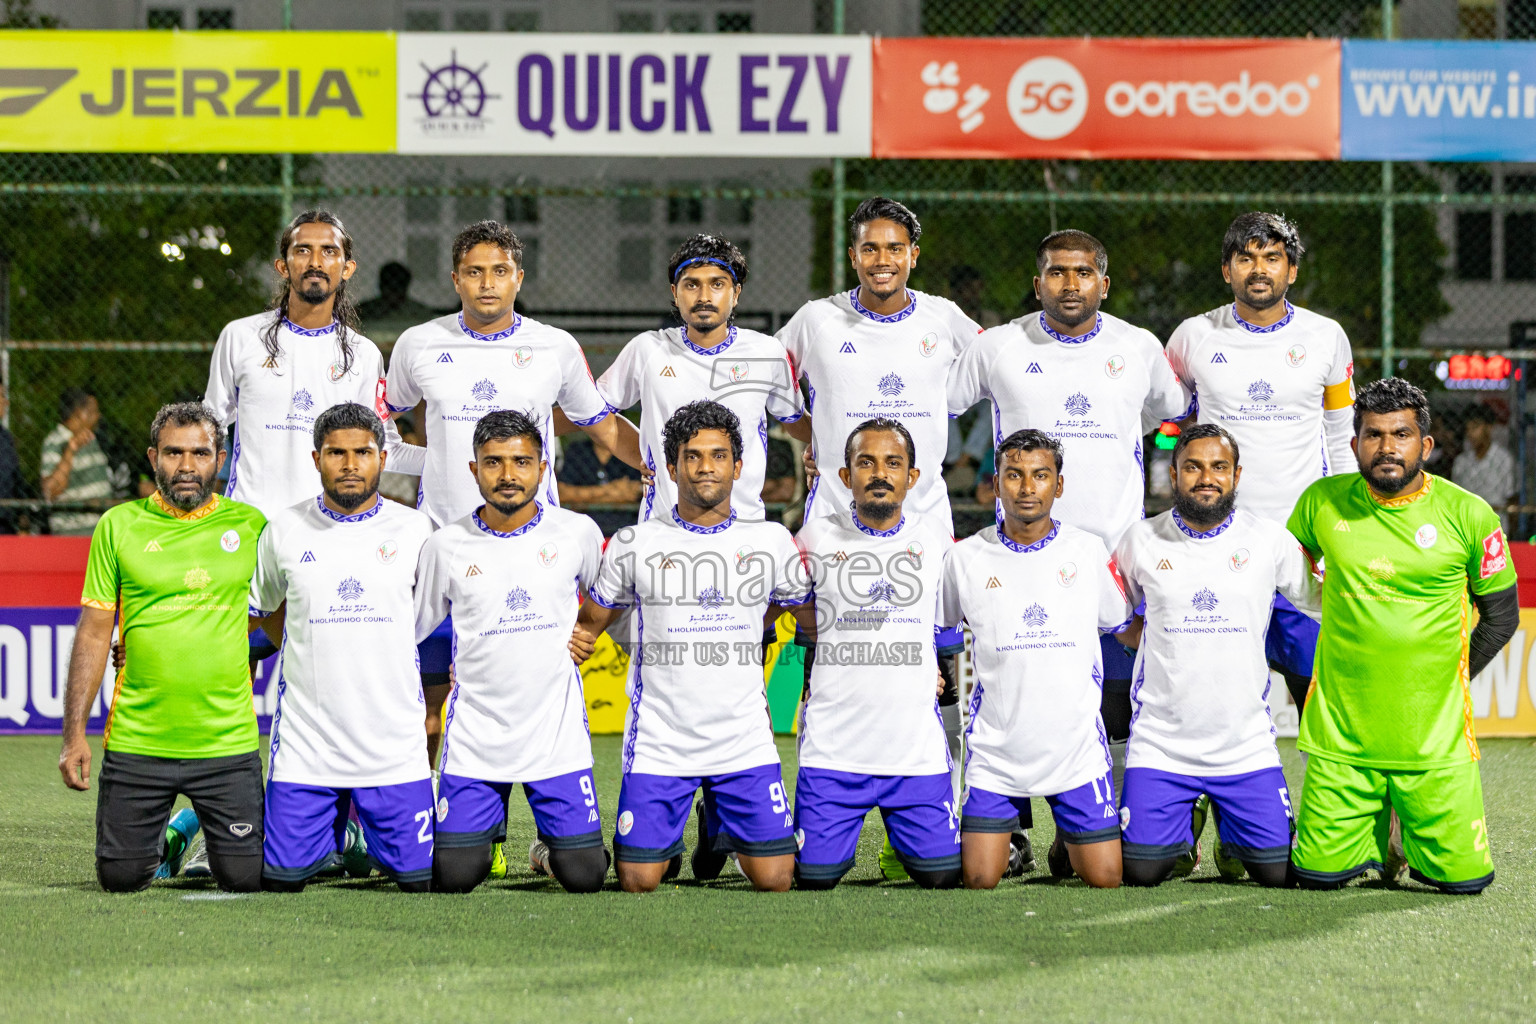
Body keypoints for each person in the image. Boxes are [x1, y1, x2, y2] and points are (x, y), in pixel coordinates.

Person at [945, 229, 1188, 863]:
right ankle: (1014, 832)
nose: (1070, 284)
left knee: (1116, 702)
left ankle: (1096, 824)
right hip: (1015, 554)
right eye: (1056, 272)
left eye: (1084, 273)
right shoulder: (997, 347)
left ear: (1104, 283)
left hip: (1113, 563)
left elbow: (1177, 410)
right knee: (1013, 693)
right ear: (1038, 283)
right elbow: (932, 406)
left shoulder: (1138, 347)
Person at [386, 220, 643, 766]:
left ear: (518, 278)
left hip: (532, 553)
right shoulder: (418, 344)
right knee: (427, 706)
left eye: (499, 272)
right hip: (439, 547)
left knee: (530, 699)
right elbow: (382, 429)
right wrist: (429, 461)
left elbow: (602, 424)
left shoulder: (553, 347)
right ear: (456, 279)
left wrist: (664, 469)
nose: (487, 283)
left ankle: (546, 837)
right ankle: (428, 818)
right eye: (474, 272)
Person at [777, 197, 977, 872]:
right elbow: (775, 395)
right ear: (854, 254)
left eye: (895, 249)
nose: (882, 260)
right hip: (834, 521)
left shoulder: (947, 321)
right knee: (820, 647)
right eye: (870, 248)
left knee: (934, 670)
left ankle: (917, 824)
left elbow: (996, 383)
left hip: (922, 521)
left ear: (913, 255)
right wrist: (816, 442)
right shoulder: (816, 320)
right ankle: (806, 784)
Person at [1287, 378, 1519, 894]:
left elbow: (1503, 617)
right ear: (1354, 445)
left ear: (1426, 445)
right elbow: (1280, 588)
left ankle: (1400, 835)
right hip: (1341, 742)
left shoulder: (1469, 514)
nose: (1387, 447)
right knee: (1315, 880)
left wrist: (1450, 673)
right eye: (1373, 435)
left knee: (1465, 885)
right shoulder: (1320, 503)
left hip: (1433, 742)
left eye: (1401, 434)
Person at [568, 400, 810, 893]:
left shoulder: (771, 541)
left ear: (738, 468)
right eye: (692, 456)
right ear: (671, 467)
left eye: (718, 456)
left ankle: (719, 827)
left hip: (743, 739)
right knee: (638, 881)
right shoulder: (635, 542)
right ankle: (671, 833)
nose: (706, 467)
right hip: (662, 739)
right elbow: (588, 628)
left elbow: (807, 618)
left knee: (777, 879)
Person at [57, 401, 267, 893]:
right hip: (137, 743)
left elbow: (282, 613)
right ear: (154, 457)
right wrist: (73, 737)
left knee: (246, 877)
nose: (187, 466)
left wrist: (250, 649)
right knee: (121, 878)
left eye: (200, 453)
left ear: (219, 458)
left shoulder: (253, 527)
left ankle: (199, 824)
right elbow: (93, 632)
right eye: (174, 452)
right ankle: (173, 838)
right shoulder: (118, 525)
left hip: (226, 745)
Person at [1165, 211, 1355, 721]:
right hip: (1216, 540)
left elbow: (1341, 434)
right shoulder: (1192, 337)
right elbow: (1163, 418)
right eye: (1245, 258)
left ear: (1291, 270)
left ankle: (1340, 799)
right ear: (1226, 270)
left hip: (1303, 541)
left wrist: (1345, 524)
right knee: (1210, 695)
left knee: (1320, 695)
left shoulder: (1326, 337)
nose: (1259, 269)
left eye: (1272, 258)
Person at [1113, 424, 1321, 888]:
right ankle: (1186, 832)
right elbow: (1112, 615)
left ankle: (1234, 830)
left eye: (1218, 467)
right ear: (1174, 474)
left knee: (1281, 873)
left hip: (1244, 745)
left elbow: (1324, 601)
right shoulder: (1139, 541)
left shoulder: (1269, 540)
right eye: (1193, 466)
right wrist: (1152, 637)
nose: (1206, 477)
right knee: (1139, 872)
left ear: (1237, 475)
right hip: (1162, 746)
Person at [416, 411, 609, 894]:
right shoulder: (446, 545)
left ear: (543, 469)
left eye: (522, 462)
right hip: (477, 736)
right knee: (453, 877)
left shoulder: (576, 531)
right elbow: (415, 628)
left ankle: (546, 849)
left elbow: (612, 595)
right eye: (493, 462)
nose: (508, 475)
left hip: (555, 735)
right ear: (473, 469)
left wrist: (591, 629)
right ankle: (484, 837)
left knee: (585, 877)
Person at [251, 402, 435, 893]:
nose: (350, 464)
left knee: (421, 881)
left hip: (393, 749)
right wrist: (297, 641)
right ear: (316, 459)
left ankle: (357, 835)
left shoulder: (415, 530)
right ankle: (347, 835)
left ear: (381, 458)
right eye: (336, 453)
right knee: (280, 879)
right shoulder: (284, 529)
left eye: (362, 452)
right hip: (307, 747)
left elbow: (434, 615)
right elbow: (262, 606)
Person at [941, 429, 1130, 889]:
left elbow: (1121, 625)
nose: (1027, 488)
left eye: (1040, 476)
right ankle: (1013, 834)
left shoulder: (1087, 551)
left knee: (1105, 878)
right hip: (997, 752)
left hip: (1076, 753)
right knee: (979, 878)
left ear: (1058, 486)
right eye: (1015, 475)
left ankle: (1069, 838)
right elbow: (938, 631)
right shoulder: (965, 558)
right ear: (996, 482)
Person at [792, 418, 960, 890]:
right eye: (865, 463)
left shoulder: (937, 543)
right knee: (811, 876)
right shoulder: (812, 539)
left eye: (893, 463)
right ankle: (750, 845)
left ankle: (909, 836)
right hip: (834, 750)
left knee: (943, 876)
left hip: (914, 754)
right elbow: (786, 608)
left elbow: (947, 619)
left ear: (912, 476)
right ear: (845, 477)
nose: (879, 473)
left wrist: (934, 666)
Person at [597, 233, 804, 525]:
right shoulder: (647, 350)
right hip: (662, 528)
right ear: (675, 292)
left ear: (736, 293)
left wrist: (823, 453)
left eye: (717, 284)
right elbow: (593, 413)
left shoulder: (767, 352)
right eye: (692, 284)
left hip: (744, 532)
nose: (704, 296)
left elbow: (796, 422)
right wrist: (645, 457)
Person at [40, 386, 113, 535]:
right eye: (93, 412)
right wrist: (70, 450)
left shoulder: (93, 439)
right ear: (80, 414)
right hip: (74, 533)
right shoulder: (55, 442)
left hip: (101, 531)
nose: (98, 416)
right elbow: (51, 491)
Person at [557, 432, 645, 536]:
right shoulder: (577, 450)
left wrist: (582, 499)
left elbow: (636, 493)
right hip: (583, 529)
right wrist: (611, 491)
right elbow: (562, 494)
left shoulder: (630, 452)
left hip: (626, 529)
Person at [1452, 404, 1515, 533]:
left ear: (1489, 428)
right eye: (1467, 429)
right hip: (1467, 527)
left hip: (1495, 527)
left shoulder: (1503, 459)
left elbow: (1511, 496)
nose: (1470, 434)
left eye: (1475, 427)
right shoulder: (1462, 461)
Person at [356, 261, 438, 332]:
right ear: (382, 286)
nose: (393, 294)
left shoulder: (419, 312)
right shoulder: (365, 311)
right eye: (390, 286)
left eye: (396, 287)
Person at [0, 381, 23, 533]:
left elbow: (17, 480)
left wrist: (23, 515)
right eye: (1, 396)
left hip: (6, 523)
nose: (6, 402)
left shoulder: (5, 437)